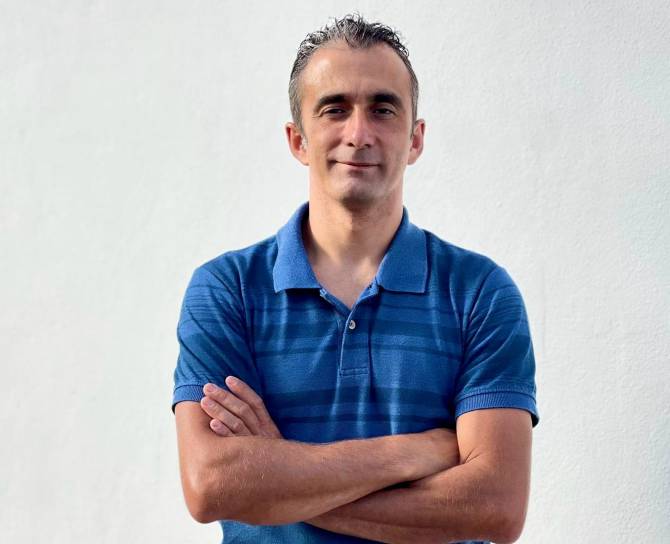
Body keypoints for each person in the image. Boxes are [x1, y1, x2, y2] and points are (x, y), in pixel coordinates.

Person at [172, 13, 539, 544]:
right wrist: (413, 452)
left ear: (415, 139)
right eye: (335, 109)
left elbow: (494, 507)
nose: (359, 134)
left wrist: (278, 478)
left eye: (383, 109)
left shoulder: (479, 293)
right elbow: (212, 486)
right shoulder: (226, 291)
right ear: (298, 140)